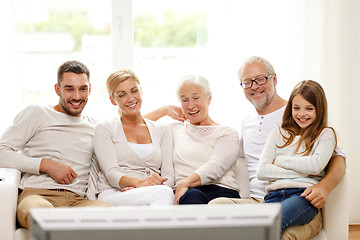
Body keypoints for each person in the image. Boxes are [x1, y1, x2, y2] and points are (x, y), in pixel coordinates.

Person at [209, 56, 346, 239]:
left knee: (276, 228)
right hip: (262, 200)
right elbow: (260, 168)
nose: (255, 86)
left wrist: (324, 187)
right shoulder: (248, 123)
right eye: (247, 82)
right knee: (214, 208)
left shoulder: (302, 115)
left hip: (300, 198)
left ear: (274, 79)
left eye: (260, 79)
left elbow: (337, 158)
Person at [0, 60, 112, 229]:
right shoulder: (37, 113)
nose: (76, 96)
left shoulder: (96, 126)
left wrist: (164, 111)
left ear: (89, 90)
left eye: (82, 89)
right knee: (47, 218)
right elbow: (1, 152)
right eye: (69, 89)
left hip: (78, 202)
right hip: (38, 196)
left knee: (115, 217)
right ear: (57, 89)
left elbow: (127, 128)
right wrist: (46, 165)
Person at [145, 75, 241, 205]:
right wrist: (164, 110)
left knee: (193, 195)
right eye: (184, 100)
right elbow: (132, 126)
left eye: (196, 98)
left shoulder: (226, 132)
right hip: (186, 195)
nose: (191, 105)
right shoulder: (173, 129)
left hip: (220, 194)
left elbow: (216, 166)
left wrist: (185, 183)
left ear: (209, 98)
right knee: (191, 196)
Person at [257, 80, 337, 232]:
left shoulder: (326, 134)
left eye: (309, 108)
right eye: (296, 108)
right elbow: (262, 171)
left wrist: (279, 160)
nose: (301, 114)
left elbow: (315, 166)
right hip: (273, 196)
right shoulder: (278, 133)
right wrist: (306, 171)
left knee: (272, 224)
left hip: (303, 197)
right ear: (290, 108)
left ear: (319, 110)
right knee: (261, 228)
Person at [93, 68, 174, 206]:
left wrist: (146, 187)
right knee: (164, 193)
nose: (130, 98)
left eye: (134, 91)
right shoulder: (105, 128)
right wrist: (139, 183)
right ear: (113, 100)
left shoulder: (162, 130)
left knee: (164, 192)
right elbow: (111, 173)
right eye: (122, 94)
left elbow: (169, 174)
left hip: (152, 192)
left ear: (141, 91)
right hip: (115, 193)